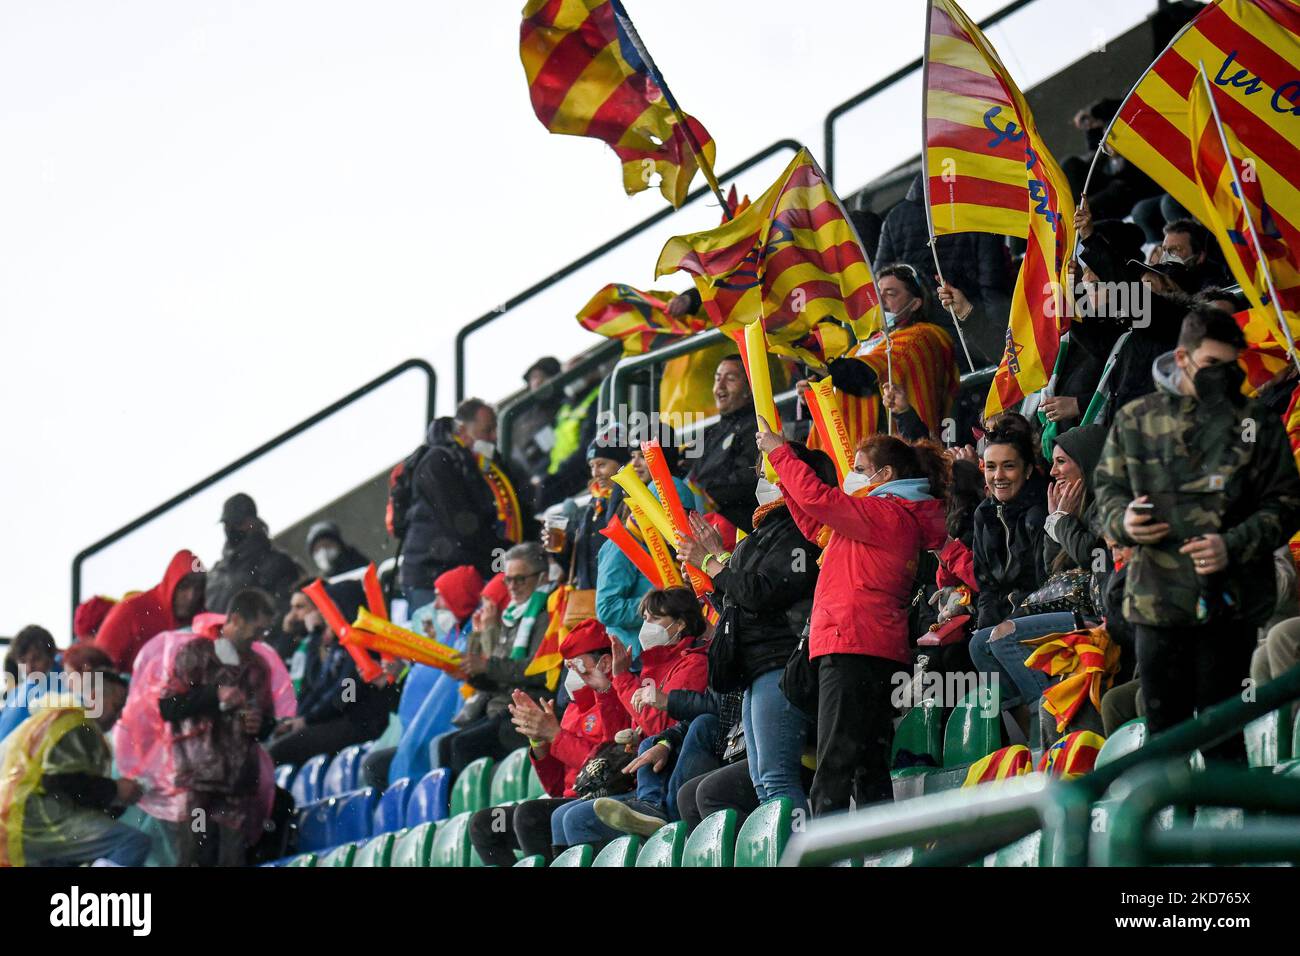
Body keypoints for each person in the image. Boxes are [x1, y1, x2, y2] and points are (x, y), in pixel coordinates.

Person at [1095, 306, 1300, 762]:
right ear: (1182, 358)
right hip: (1157, 601)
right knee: (1165, 735)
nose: (1222, 377)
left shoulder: (1256, 423)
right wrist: (1124, 522)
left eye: (1231, 367)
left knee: (1223, 730)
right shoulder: (1136, 419)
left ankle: (1228, 829)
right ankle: (1172, 829)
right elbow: (1106, 494)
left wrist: (1232, 544)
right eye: (1212, 365)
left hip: (1233, 601)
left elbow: (1287, 504)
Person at [760, 424, 951, 815]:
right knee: (867, 765)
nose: (854, 475)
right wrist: (784, 482)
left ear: (886, 476)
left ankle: (825, 855)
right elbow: (817, 525)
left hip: (853, 645)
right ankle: (879, 852)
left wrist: (782, 455)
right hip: (868, 647)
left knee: (835, 766)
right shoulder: (881, 517)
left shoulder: (885, 513)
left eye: (861, 468)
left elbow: (819, 499)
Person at [674, 446, 827, 816]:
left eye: (768, 471)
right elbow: (735, 609)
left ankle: (804, 858)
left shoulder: (799, 528)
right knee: (763, 782)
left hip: (781, 663)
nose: (761, 480)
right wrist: (711, 576)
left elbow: (762, 593)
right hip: (755, 669)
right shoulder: (758, 533)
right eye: (758, 471)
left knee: (776, 778)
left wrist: (712, 563)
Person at [467, 620, 630, 866]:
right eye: (567, 667)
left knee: (529, 815)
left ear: (604, 663)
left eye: (576, 665)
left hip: (599, 800)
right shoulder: (573, 710)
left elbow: (609, 770)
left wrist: (555, 736)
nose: (570, 675)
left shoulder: (616, 697)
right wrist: (539, 743)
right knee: (486, 824)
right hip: (565, 801)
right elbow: (556, 787)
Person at [560, 587, 710, 842]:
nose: (646, 627)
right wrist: (607, 691)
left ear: (680, 623)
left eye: (655, 619)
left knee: (577, 819)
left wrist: (621, 679)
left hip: (667, 774)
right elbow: (616, 740)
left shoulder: (693, 662)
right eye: (644, 620)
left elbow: (661, 725)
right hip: (639, 776)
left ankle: (651, 808)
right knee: (565, 816)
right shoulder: (650, 668)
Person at [159, 588, 277, 866]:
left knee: (231, 860)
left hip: (238, 784)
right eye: (256, 630)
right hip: (197, 779)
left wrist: (261, 724)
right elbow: (167, 706)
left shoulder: (258, 666)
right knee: (194, 857)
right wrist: (214, 695)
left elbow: (269, 720)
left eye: (264, 632)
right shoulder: (195, 654)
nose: (259, 639)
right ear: (235, 619)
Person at [0, 667, 149, 867]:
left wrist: (115, 800)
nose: (119, 715)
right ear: (95, 697)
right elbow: (61, 782)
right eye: (117, 705)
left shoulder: (55, 717)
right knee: (132, 842)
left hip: (19, 821)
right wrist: (115, 790)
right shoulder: (76, 724)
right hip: (35, 821)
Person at [434, 547, 551, 777]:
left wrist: (486, 666)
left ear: (542, 578)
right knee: (444, 745)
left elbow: (537, 670)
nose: (513, 587)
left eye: (520, 579)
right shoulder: (512, 615)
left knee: (462, 746)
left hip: (528, 710)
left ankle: (481, 813)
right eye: (508, 580)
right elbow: (500, 680)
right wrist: (471, 674)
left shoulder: (545, 613)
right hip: (501, 708)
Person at [874, 171, 1013, 366]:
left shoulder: (895, 218)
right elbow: (993, 287)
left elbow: (878, 283)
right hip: (973, 340)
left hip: (919, 345)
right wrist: (1002, 345)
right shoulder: (974, 210)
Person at [823, 264, 960, 448]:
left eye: (891, 293)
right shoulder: (858, 348)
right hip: (856, 455)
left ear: (916, 303)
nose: (880, 300)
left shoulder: (922, 335)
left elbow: (862, 376)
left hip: (903, 451)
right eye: (878, 293)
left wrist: (816, 354)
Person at [399, 404, 521, 609]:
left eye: (494, 430)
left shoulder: (489, 466)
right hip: (431, 577)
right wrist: (502, 556)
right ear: (463, 431)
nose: (493, 437)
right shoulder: (438, 462)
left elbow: (512, 512)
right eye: (486, 430)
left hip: (467, 573)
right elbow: (464, 526)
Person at [267, 580, 396, 767]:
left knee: (278, 751)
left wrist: (309, 720)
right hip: (339, 719)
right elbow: (319, 686)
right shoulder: (340, 643)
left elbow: (347, 694)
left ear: (345, 606)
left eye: (331, 607)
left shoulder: (364, 643)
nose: (326, 614)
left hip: (360, 723)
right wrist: (302, 718)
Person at [595, 444, 696, 656]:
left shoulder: (679, 545)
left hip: (674, 650)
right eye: (671, 516)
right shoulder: (623, 544)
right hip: (635, 657)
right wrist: (660, 609)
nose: (678, 523)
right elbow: (607, 608)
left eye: (684, 516)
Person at [95, 549, 205, 671]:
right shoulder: (131, 610)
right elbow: (94, 662)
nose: (191, 596)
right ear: (171, 583)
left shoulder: (204, 621)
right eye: (184, 587)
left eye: (199, 588)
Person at [687, 355, 761, 533]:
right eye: (717, 378)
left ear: (749, 388)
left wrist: (711, 495)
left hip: (735, 525)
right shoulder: (712, 432)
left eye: (730, 379)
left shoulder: (757, 425)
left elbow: (750, 476)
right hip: (704, 520)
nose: (719, 387)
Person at [204, 494, 303, 617]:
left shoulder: (277, 564)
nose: (231, 528)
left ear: (253, 521)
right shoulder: (217, 572)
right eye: (227, 524)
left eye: (238, 523)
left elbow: (286, 612)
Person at [509, 356, 564, 486]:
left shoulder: (566, 405)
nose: (537, 382)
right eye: (533, 378)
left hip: (555, 474)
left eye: (542, 376)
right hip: (531, 474)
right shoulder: (524, 415)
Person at [304, 521, 369, 578]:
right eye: (317, 549)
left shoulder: (361, 567)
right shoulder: (321, 583)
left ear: (340, 545)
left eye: (327, 545)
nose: (323, 551)